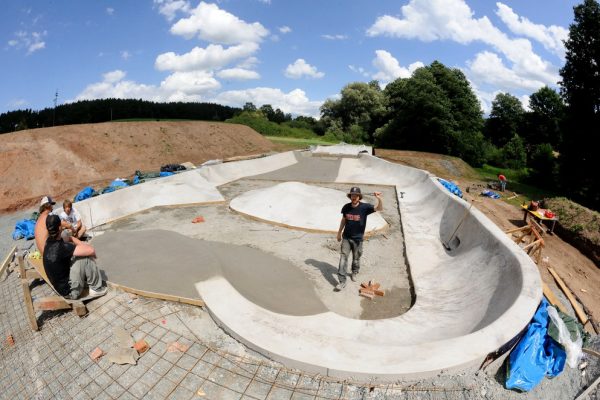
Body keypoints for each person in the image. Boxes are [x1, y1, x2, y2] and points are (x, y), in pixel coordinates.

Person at [43, 214, 107, 300]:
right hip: (70, 292)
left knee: (75, 256)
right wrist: (87, 249)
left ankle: (86, 281)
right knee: (85, 257)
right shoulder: (63, 247)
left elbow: (67, 238)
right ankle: (96, 289)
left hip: (60, 287)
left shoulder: (48, 242)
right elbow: (91, 250)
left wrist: (71, 238)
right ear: (59, 228)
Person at [335, 187, 383, 291]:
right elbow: (343, 220)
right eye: (352, 195)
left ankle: (354, 272)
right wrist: (339, 233)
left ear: (359, 197)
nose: (354, 197)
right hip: (346, 238)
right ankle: (342, 281)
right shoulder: (346, 207)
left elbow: (379, 209)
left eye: (356, 195)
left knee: (356, 259)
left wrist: (379, 198)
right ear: (350, 197)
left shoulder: (364, 208)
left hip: (358, 239)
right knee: (343, 258)